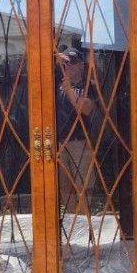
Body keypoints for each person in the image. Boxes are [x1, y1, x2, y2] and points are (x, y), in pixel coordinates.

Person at [56, 47, 96, 214]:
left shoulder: (89, 86)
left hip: (79, 143)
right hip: (59, 143)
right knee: (65, 187)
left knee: (83, 186)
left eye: (72, 63)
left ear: (81, 65)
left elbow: (85, 109)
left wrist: (69, 91)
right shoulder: (57, 84)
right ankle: (74, 221)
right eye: (66, 63)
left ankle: (84, 221)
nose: (69, 66)